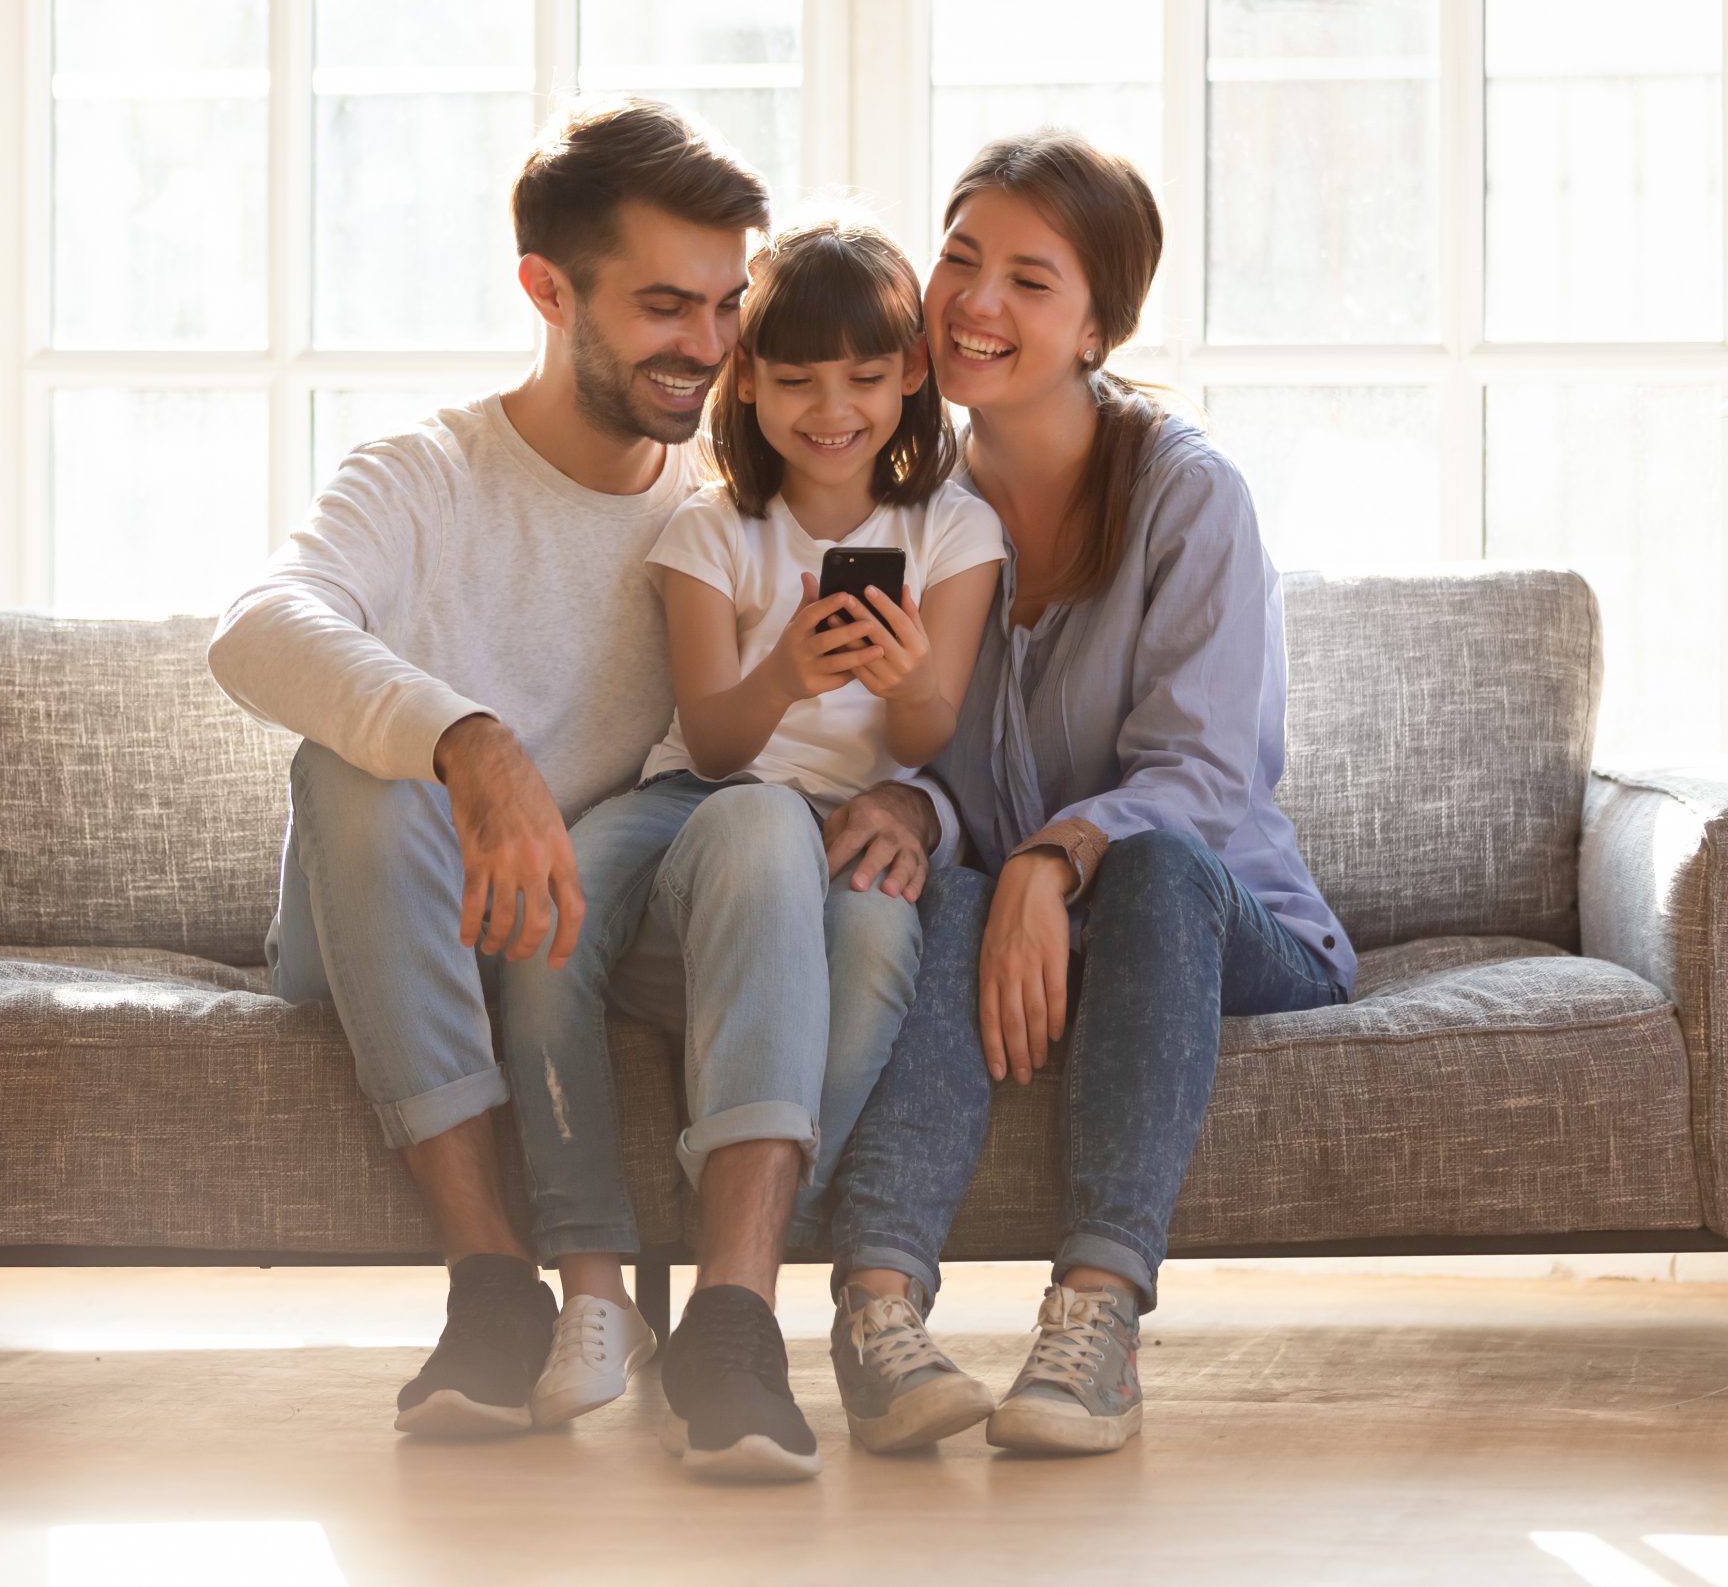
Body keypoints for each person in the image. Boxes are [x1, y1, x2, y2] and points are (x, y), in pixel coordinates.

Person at [205, 99, 950, 1471]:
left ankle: (734, 1316)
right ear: (548, 290)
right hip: (401, 918)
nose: (713, 345)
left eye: (728, 303)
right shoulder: (426, 475)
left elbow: (842, 724)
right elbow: (256, 626)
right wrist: (467, 743)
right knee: (359, 777)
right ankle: (493, 1290)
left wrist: (912, 800)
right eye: (667, 305)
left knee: (801, 861)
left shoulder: (739, 503)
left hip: (611, 919)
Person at [813, 129, 1359, 1457]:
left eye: (1029, 279)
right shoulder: (905, 505)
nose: (976, 302)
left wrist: (1052, 859)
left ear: (1100, 323)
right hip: (1024, 910)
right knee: (916, 882)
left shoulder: (1191, 494)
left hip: (1223, 922)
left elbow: (1210, 780)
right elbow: (934, 761)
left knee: (1159, 869)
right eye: (958, 258)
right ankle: (877, 1313)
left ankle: (1096, 1320)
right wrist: (913, 810)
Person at [495, 217, 1004, 1473]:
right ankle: (595, 1283)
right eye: (794, 379)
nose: (832, 409)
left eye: (864, 377)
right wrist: (784, 669)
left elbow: (934, 734)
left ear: (910, 378)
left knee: (878, 945)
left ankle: (734, 1281)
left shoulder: (955, 530)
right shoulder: (708, 533)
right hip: (695, 808)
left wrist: (903, 678)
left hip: (855, 834)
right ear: (747, 384)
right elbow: (717, 746)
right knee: (544, 927)